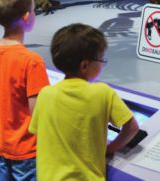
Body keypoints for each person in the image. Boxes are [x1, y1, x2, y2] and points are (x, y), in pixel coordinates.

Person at [28, 23, 138, 181]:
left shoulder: (45, 94)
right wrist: (110, 148)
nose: (102, 63)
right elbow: (132, 127)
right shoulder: (103, 92)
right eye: (101, 59)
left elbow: (38, 132)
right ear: (85, 65)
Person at [0, 0, 49, 181]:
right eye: (34, 10)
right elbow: (39, 113)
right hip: (28, 151)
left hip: (2, 147)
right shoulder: (32, 61)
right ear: (26, 17)